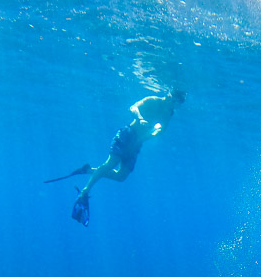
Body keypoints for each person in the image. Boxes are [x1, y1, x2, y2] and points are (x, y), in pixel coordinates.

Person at [72, 90, 187, 225]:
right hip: (127, 134)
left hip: (137, 142)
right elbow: (133, 107)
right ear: (169, 95)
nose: (172, 105)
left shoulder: (169, 113)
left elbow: (161, 130)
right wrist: (140, 118)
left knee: (121, 176)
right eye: (173, 101)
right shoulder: (153, 100)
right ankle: (85, 192)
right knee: (111, 163)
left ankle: (89, 170)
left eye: (176, 104)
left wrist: (148, 136)